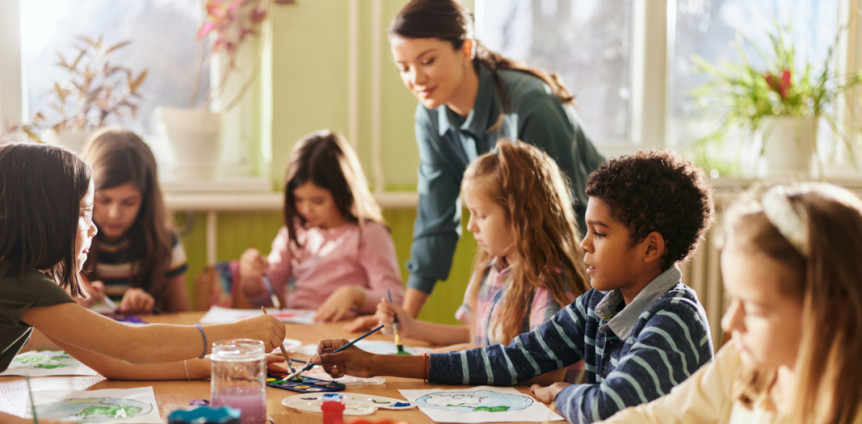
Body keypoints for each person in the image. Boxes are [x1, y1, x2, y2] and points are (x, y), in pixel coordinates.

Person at [314, 150, 715, 423]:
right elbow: (512, 358)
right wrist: (375, 364)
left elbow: (609, 408)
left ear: (650, 248)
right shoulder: (601, 303)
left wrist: (560, 394)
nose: (584, 243)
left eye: (600, 233)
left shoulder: (673, 319)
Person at [0, 142, 286, 423]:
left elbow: (111, 359)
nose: (94, 227)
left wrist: (212, 366)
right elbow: (130, 345)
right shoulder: (18, 281)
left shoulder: (22, 281)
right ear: (44, 217)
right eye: (84, 213)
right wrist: (236, 334)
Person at [382, 0, 605, 319]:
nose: (416, 77)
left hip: (589, 251)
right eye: (403, 67)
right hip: (534, 261)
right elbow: (435, 221)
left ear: (465, 50)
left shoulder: (530, 106)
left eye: (427, 60)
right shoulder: (430, 117)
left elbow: (566, 218)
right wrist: (403, 319)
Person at [597, 182, 862, 424]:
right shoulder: (739, 363)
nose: (729, 322)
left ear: (832, 314)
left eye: (755, 309)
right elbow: (658, 418)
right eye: (734, 299)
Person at [376, 141, 588, 354]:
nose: (470, 226)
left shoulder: (550, 281)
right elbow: (475, 334)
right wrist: (411, 327)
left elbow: (547, 368)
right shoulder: (490, 267)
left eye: (481, 215)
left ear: (521, 216)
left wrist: (467, 354)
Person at [238, 130, 404, 322]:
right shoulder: (296, 232)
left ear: (345, 192)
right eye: (298, 199)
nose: (306, 209)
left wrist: (355, 295)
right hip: (300, 328)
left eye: (318, 201)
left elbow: (395, 299)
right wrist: (251, 276)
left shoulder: (367, 235)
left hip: (345, 333)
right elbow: (265, 296)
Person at [80, 128, 189, 313]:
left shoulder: (165, 243)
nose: (114, 214)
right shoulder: (68, 244)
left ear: (146, 200)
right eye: (104, 200)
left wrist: (149, 309)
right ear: (85, 194)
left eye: (129, 202)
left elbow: (182, 317)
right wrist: (71, 303)